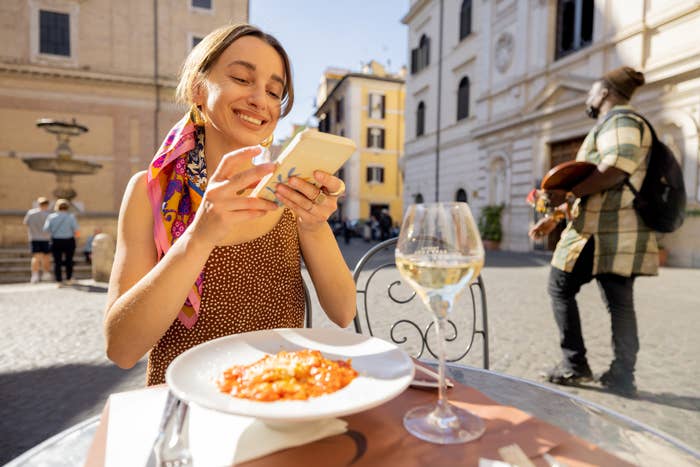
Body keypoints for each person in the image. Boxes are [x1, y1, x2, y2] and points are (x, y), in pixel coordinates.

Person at [103, 24, 356, 385]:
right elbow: (121, 348)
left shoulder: (286, 191)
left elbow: (344, 311)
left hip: (277, 401)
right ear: (198, 89)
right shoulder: (150, 192)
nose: (261, 100)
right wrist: (198, 236)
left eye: (274, 91)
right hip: (188, 411)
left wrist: (313, 226)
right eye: (241, 78)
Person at [528, 66, 658, 398]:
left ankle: (576, 364)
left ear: (602, 93)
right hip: (612, 231)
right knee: (619, 304)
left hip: (604, 231)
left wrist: (569, 196)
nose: (588, 99)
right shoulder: (613, 124)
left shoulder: (621, 122)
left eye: (591, 93)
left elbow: (614, 169)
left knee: (559, 287)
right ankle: (621, 375)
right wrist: (556, 216)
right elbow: (593, 182)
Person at [43, 198, 80, 285]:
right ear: (67, 207)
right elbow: (77, 231)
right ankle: (69, 279)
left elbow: (45, 229)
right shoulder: (71, 217)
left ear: (57, 207)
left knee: (57, 262)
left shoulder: (51, 217)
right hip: (69, 241)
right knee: (69, 261)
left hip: (56, 241)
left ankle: (59, 281)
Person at [23, 196, 53, 283]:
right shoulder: (49, 215)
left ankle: (35, 275)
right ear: (47, 205)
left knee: (35, 257)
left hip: (34, 238)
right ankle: (46, 274)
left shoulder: (31, 213)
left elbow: (25, 223)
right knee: (46, 257)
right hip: (46, 239)